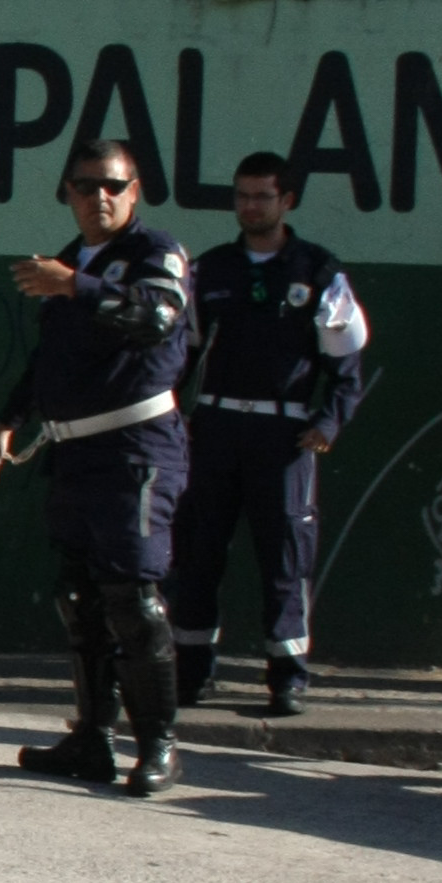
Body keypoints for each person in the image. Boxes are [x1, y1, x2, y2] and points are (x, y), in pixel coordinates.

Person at [0, 135, 193, 795]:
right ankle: (93, 739)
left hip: (136, 449)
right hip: (74, 450)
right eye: (84, 185)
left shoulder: (154, 253)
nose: (99, 197)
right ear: (66, 193)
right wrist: (9, 421)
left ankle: (159, 745)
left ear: (135, 192)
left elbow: (156, 318)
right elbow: (51, 358)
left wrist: (77, 285)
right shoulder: (69, 260)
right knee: (81, 598)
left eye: (113, 185)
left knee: (133, 598)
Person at [165, 152, 369, 718]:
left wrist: (328, 422)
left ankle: (287, 677)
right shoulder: (209, 270)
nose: (250, 206)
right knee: (198, 554)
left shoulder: (318, 272)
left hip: (283, 438)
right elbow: (180, 355)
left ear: (287, 201)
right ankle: (191, 671)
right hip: (215, 429)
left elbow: (347, 363)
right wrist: (173, 418)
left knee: (285, 559)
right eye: (242, 196)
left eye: (262, 196)